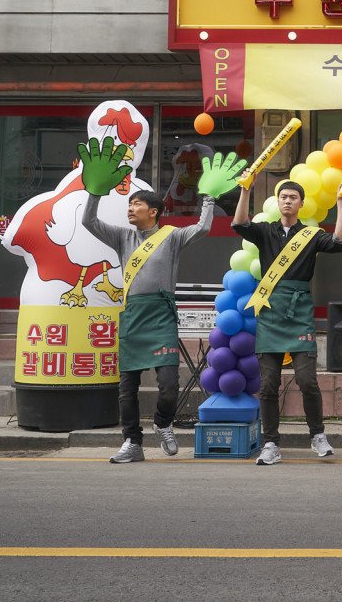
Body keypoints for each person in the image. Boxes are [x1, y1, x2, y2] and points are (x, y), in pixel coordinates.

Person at [79, 137, 246, 464]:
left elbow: (202, 227)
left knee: (169, 384)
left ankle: (163, 423)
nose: (130, 209)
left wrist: (209, 195)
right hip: (131, 318)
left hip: (160, 317)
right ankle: (132, 442)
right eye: (129, 205)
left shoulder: (171, 236)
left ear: (152, 211)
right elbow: (89, 222)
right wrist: (95, 192)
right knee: (127, 387)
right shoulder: (122, 236)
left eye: (135, 205)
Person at [233, 177, 342, 465]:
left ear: (301, 203)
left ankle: (318, 436)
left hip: (298, 312)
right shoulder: (265, 231)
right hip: (270, 310)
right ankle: (270, 443)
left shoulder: (310, 234)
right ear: (277, 201)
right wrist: (245, 189)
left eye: (293, 197)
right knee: (269, 383)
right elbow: (238, 223)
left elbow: (341, 242)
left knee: (307, 379)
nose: (287, 200)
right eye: (283, 196)